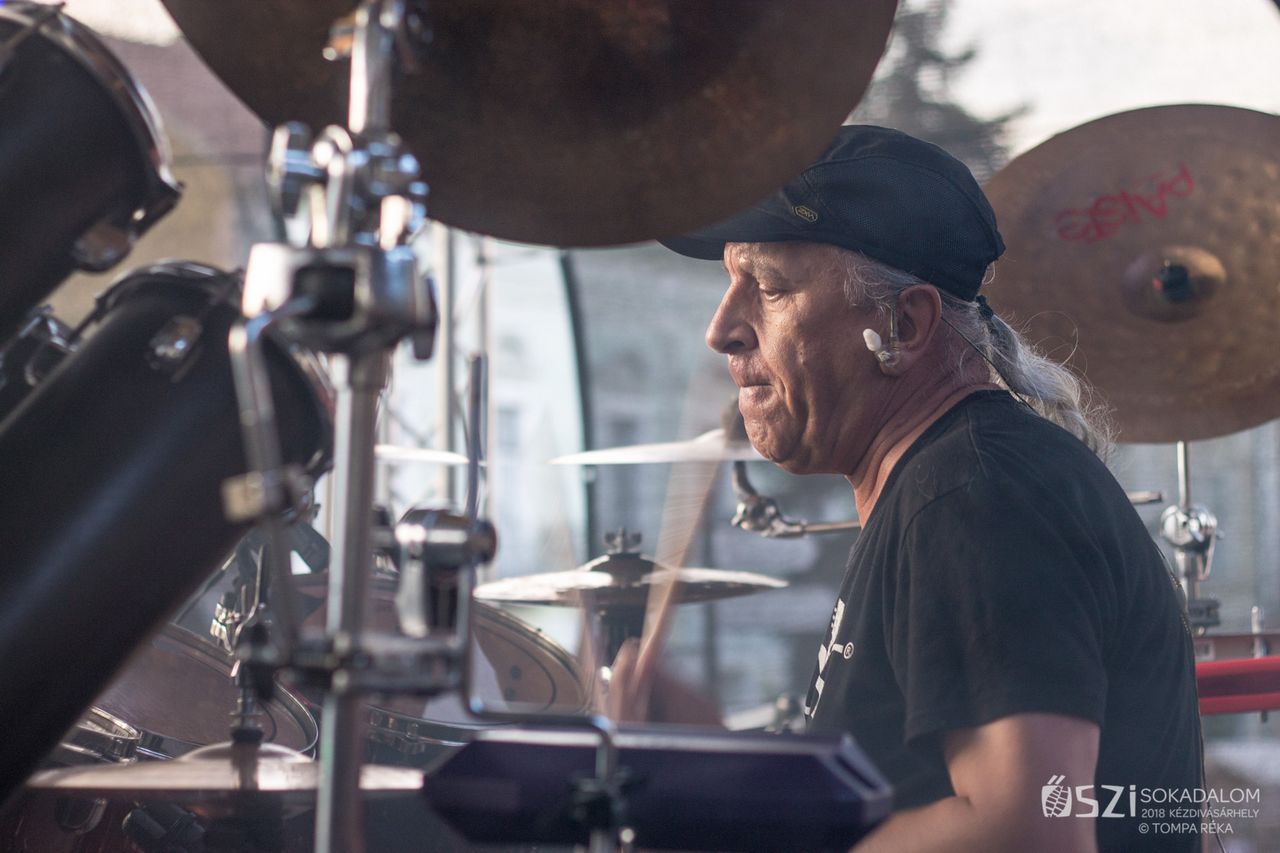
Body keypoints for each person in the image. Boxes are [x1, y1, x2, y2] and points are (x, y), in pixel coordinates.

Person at [641, 125, 1203, 852]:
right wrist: (724, 771)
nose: (722, 330)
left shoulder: (972, 498)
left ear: (902, 326)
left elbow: (1027, 833)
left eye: (771, 287)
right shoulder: (954, 482)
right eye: (731, 283)